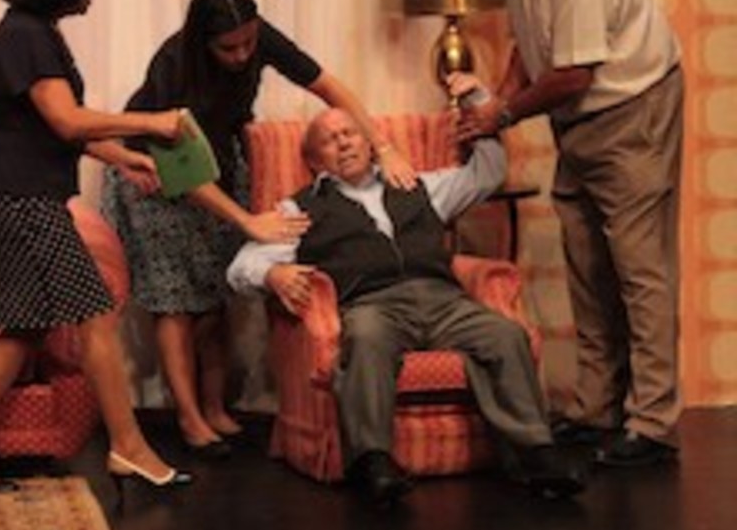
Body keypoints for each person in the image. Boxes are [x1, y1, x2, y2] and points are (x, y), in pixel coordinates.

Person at [101, 0, 415, 458]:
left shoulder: (260, 38)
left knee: (214, 295)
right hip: (155, 174)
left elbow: (328, 86)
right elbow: (178, 167)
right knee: (175, 301)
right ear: (204, 40)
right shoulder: (174, 63)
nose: (242, 55)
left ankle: (214, 406)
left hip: (217, 166)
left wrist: (383, 145)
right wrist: (246, 221)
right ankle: (188, 417)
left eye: (249, 42)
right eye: (228, 48)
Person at [452, 0, 684, 469]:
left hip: (629, 110)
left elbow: (574, 73)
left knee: (639, 267)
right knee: (586, 259)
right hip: (577, 120)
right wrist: (494, 105)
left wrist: (503, 115)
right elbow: (532, 45)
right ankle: (596, 407)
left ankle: (653, 420)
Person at [227, 106, 586, 505]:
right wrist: (272, 274)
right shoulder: (301, 209)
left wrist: (478, 105)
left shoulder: (418, 184)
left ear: (368, 142)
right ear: (314, 160)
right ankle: (373, 461)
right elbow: (241, 266)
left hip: (442, 299)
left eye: (350, 133)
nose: (343, 142)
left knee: (505, 334)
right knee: (365, 339)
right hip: (372, 304)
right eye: (329, 139)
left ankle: (536, 454)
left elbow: (488, 172)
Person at [0, 0, 193, 495]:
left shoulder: (32, 32)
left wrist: (124, 158)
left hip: (17, 196)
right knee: (95, 315)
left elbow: (50, 128)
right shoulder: (26, 38)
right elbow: (66, 120)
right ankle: (128, 445)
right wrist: (150, 124)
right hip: (26, 202)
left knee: (25, 327)